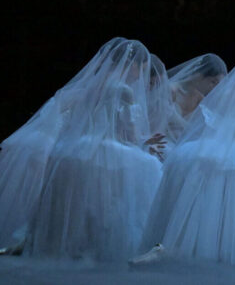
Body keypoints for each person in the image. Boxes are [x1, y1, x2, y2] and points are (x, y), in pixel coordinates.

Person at [132, 50, 235, 266]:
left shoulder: (224, 92)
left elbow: (208, 127)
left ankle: (168, 247)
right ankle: (225, 251)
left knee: (202, 208)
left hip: (207, 151)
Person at [27, 39, 166, 261]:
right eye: (141, 68)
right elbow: (127, 135)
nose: (141, 75)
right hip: (107, 151)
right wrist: (144, 143)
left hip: (78, 147)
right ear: (130, 64)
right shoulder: (123, 90)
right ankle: (128, 247)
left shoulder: (93, 85)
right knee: (151, 169)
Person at [0, 37, 128, 255]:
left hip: (68, 143)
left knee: (60, 194)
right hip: (78, 144)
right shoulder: (115, 86)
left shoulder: (90, 84)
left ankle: (41, 238)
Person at [165, 54, 228, 141]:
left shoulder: (201, 101)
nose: (214, 89)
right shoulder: (171, 90)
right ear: (199, 75)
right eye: (213, 82)